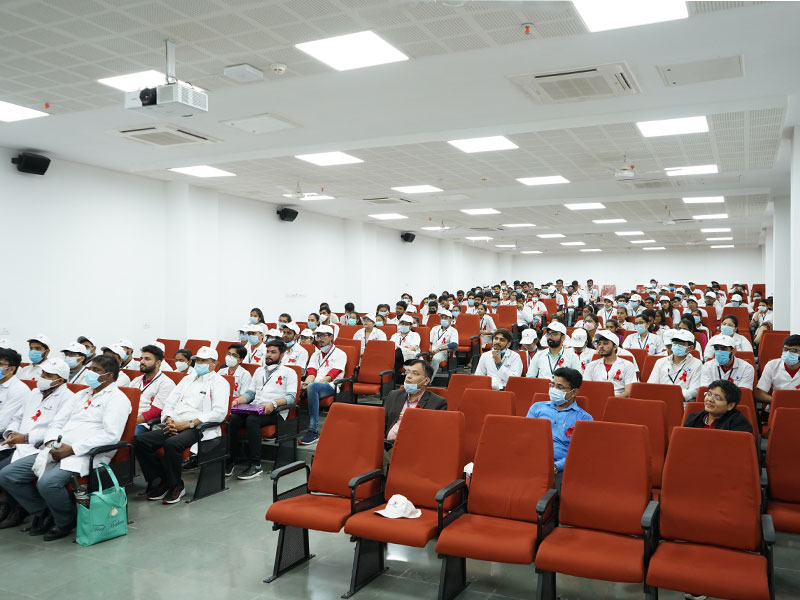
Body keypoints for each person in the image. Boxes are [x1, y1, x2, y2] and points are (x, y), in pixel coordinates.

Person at [0, 355, 130, 540]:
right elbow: (57, 421)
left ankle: (65, 521)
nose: (90, 373)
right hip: (57, 449)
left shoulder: (117, 399)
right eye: (91, 369)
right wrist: (51, 441)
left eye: (96, 370)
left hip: (84, 454)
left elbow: (111, 435)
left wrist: (72, 449)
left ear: (109, 376)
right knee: (8, 475)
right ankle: (44, 512)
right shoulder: (81, 395)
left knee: (48, 483)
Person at [134, 347, 229, 504]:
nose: (200, 363)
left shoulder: (220, 383)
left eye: (204, 361)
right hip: (175, 423)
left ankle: (176, 485)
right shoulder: (187, 380)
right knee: (141, 441)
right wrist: (169, 419)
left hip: (198, 427)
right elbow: (170, 402)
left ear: (215, 364)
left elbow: (219, 412)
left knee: (172, 443)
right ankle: (162, 480)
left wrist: (188, 424)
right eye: (198, 360)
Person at [0, 358, 75, 528]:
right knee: (4, 473)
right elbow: (18, 417)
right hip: (20, 444)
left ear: (60, 380)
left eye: (48, 375)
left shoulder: (68, 398)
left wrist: (27, 437)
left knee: (5, 474)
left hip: (40, 447)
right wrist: (11, 433)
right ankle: (34, 510)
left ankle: (36, 511)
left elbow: (58, 429)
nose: (42, 377)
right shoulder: (34, 393)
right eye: (42, 373)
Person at [228, 339, 297, 479]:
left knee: (252, 420)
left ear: (281, 355)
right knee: (233, 418)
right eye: (268, 351)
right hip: (256, 408)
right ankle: (231, 460)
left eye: (273, 352)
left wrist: (273, 404)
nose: (269, 355)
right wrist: (238, 401)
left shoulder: (289, 373)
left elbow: (291, 398)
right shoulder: (259, 371)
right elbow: (250, 393)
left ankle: (255, 464)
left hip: (276, 411)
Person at [526, 367, 592, 489]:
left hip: (561, 468)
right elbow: (525, 436)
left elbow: (579, 453)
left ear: (574, 392)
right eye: (553, 385)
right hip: (531, 460)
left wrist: (556, 466)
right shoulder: (537, 408)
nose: (554, 389)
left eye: (560, 387)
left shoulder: (584, 418)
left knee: (557, 490)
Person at [383, 359, 446, 469]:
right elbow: (381, 422)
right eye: (408, 372)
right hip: (386, 443)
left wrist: (401, 439)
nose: (408, 376)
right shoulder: (394, 395)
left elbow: (432, 435)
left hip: (412, 447)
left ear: (426, 381)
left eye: (415, 373)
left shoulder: (437, 403)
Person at [299, 325, 347, 446]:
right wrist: (306, 383)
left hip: (330, 385)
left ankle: (313, 430)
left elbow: (331, 376)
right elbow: (311, 373)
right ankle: (287, 426)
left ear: (331, 337)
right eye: (318, 336)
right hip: (314, 385)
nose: (319, 339)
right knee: (297, 385)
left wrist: (311, 385)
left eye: (322, 336)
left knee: (312, 387)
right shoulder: (316, 354)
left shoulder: (340, 354)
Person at [130, 344, 176, 436]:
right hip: (129, 418)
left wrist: (130, 422)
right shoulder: (136, 380)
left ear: (158, 363)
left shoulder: (166, 383)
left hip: (144, 424)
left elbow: (155, 412)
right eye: (141, 358)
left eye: (147, 359)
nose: (142, 361)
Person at [647, 329, 702, 401]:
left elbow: (694, 389)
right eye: (675, 342)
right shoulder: (660, 362)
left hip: (681, 402)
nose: (677, 345)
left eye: (681, 343)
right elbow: (651, 385)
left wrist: (676, 396)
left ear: (691, 347)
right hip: (659, 400)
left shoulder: (697, 364)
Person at [683, 380, 752, 433]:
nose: (710, 399)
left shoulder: (740, 425)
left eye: (717, 398)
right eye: (709, 394)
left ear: (730, 405)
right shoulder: (693, 419)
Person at [583, 329, 638, 397]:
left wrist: (609, 400)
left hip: (618, 400)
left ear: (615, 347)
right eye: (599, 344)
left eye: (605, 343)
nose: (601, 346)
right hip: (595, 398)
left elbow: (628, 392)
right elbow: (586, 389)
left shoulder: (628, 365)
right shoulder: (591, 365)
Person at [755, 334, 800, 404]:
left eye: (793, 350)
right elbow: (760, 394)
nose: (788, 353)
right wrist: (779, 401)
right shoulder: (772, 365)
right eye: (785, 349)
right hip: (778, 405)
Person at [0, 348, 29, 450]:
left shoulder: (19, 389)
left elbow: (2, 423)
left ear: (11, 369)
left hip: (4, 438)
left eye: (0, 364)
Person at [428, 310, 459, 381]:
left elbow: (454, 344)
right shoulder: (435, 328)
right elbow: (430, 341)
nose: (443, 320)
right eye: (442, 318)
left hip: (442, 351)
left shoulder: (453, 331)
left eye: (446, 318)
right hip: (431, 349)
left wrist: (439, 349)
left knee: (435, 359)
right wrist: (430, 349)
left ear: (451, 319)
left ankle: (429, 380)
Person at [390, 316, 421, 383]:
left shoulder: (415, 335)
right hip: (398, 357)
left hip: (410, 358)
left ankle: (391, 383)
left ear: (410, 326)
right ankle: (392, 383)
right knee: (395, 363)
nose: (404, 326)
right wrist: (405, 347)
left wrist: (401, 348)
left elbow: (413, 348)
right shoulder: (395, 335)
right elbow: (390, 347)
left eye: (406, 324)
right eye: (402, 324)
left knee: (397, 354)